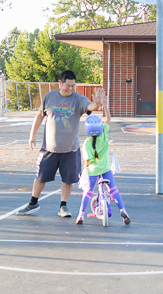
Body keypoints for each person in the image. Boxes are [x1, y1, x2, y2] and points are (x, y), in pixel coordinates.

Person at [17, 70, 101, 218]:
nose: (70, 89)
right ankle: (33, 203)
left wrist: (97, 103)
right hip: (49, 148)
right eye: (67, 85)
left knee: (68, 180)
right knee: (40, 177)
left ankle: (63, 206)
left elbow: (91, 107)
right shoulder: (49, 97)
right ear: (60, 83)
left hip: (70, 149)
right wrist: (32, 135)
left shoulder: (78, 99)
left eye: (73, 86)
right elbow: (39, 116)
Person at [76, 96, 130, 225]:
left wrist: (85, 169)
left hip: (94, 170)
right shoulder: (104, 134)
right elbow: (108, 119)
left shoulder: (87, 143)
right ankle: (123, 210)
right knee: (113, 189)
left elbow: (87, 161)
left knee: (88, 191)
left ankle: (81, 214)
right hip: (106, 168)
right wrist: (105, 104)